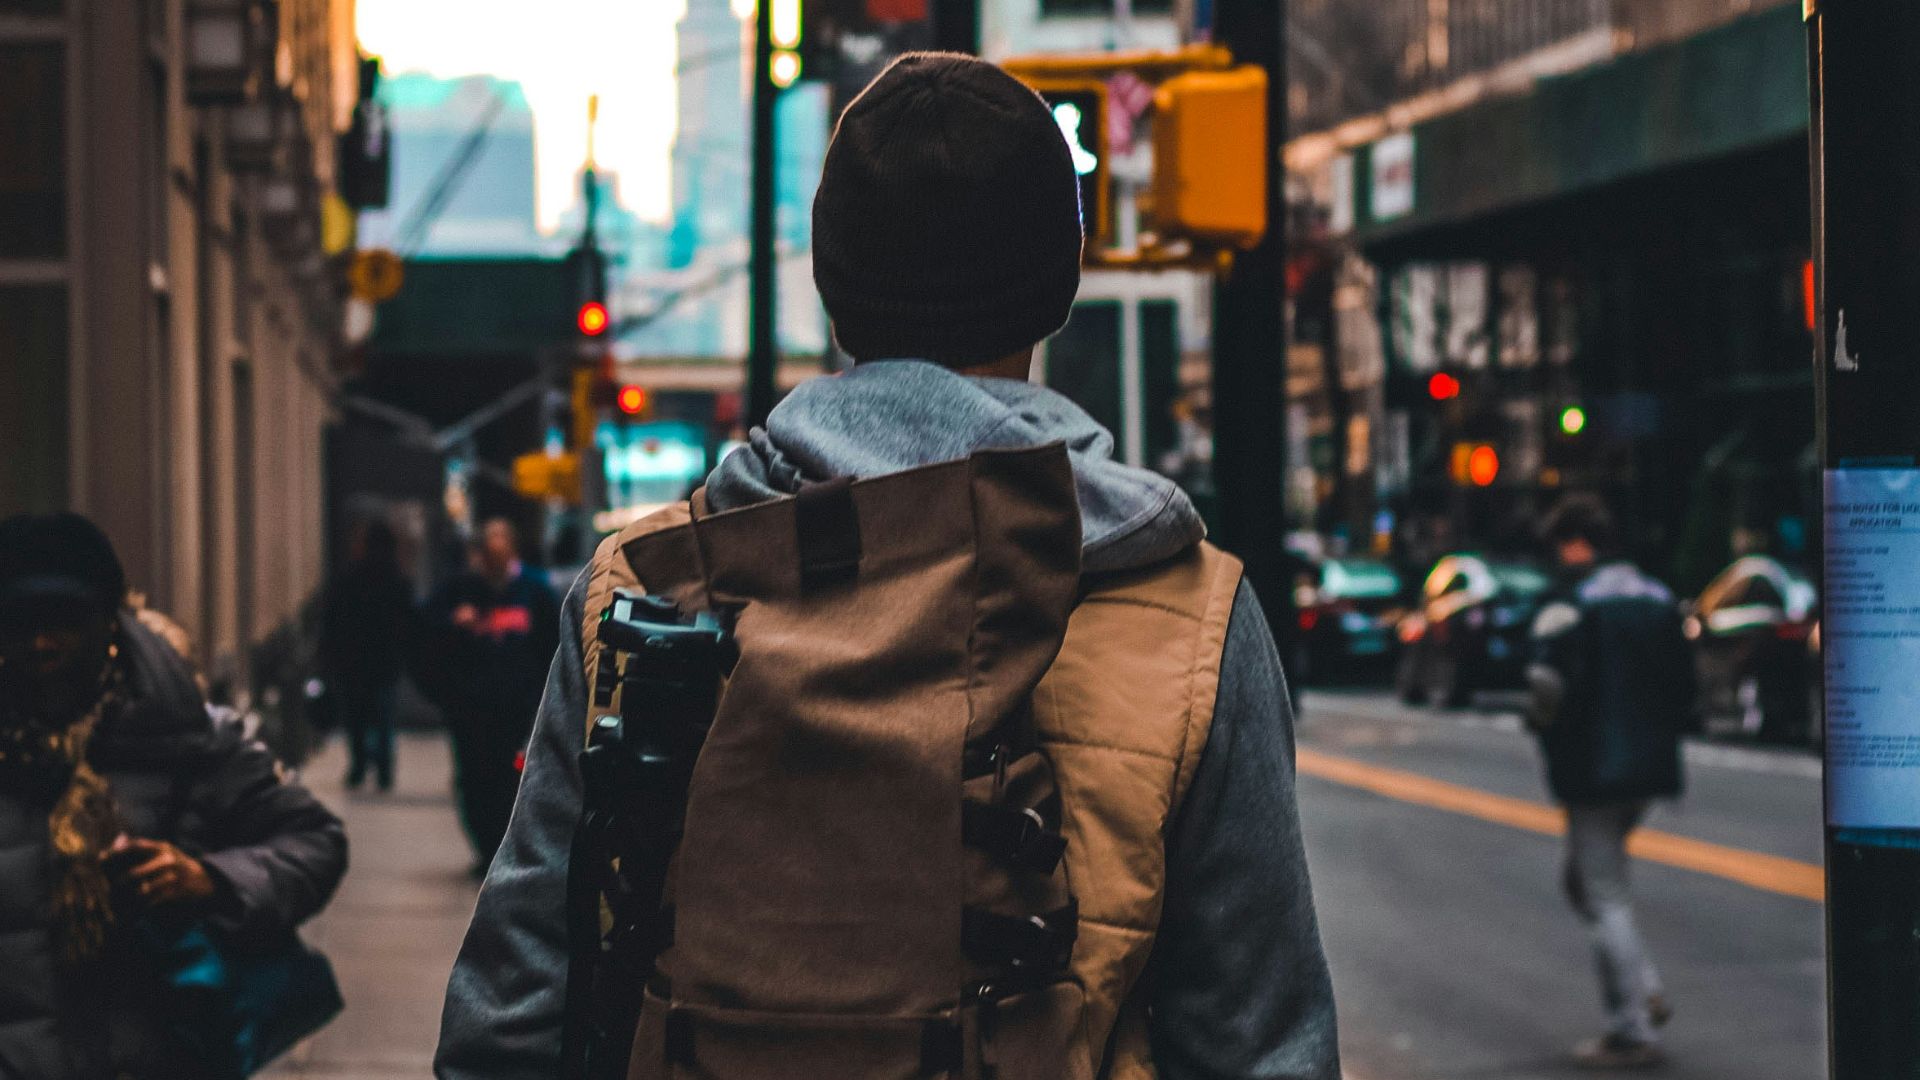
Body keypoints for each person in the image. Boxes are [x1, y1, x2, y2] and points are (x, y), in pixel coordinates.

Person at [437, 54, 1338, 1080]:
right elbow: (1263, 1045)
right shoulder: (1193, 616)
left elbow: (508, 1020)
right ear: (1061, 284)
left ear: (833, 289)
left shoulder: (643, 589)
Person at [0, 511, 348, 1078]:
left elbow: (316, 841)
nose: (41, 643)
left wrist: (210, 880)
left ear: (109, 623)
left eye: (63, 620)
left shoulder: (184, 738)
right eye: (18, 622)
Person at [1526, 495, 1694, 1069]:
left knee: (1604, 894)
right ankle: (1643, 987)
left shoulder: (1572, 603)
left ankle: (1632, 1027)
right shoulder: (1657, 597)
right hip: (1649, 768)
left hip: (1593, 767)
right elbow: (1683, 687)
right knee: (1586, 883)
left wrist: (1541, 723)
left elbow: (1546, 686)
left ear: (1576, 543)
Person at [422, 517, 558, 871]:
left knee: (510, 781)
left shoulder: (535, 591)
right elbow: (424, 637)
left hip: (518, 707)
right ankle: (485, 849)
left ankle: (504, 848)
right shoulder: (459, 591)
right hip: (471, 707)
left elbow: (551, 645)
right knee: (474, 779)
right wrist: (454, 626)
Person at [320, 517, 415, 792]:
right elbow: (405, 622)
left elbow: (332, 618)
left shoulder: (348, 577)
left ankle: (359, 766)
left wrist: (330, 653)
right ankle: (384, 769)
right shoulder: (397, 579)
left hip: (352, 659)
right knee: (384, 716)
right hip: (384, 659)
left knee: (356, 716)